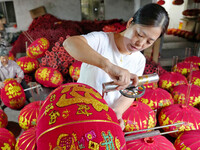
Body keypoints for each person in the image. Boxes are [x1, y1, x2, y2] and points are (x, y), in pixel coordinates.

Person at [63, 3, 169, 129]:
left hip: (105, 117)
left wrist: (117, 111)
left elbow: (130, 91)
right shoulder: (102, 40)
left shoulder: (139, 60)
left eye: (149, 41)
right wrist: (107, 66)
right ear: (130, 23)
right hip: (80, 110)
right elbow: (69, 43)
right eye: (139, 35)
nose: (140, 43)